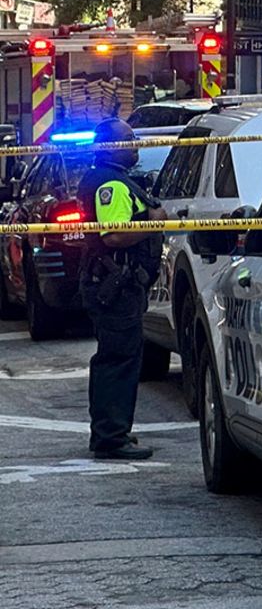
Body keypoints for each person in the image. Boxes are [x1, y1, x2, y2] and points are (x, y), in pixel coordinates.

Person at [79, 118, 165, 460]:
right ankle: (111, 436)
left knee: (117, 357)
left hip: (116, 285)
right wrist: (154, 224)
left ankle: (111, 431)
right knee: (118, 360)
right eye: (128, 139)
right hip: (116, 286)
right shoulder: (111, 185)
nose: (136, 144)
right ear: (111, 146)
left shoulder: (113, 179)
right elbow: (113, 236)